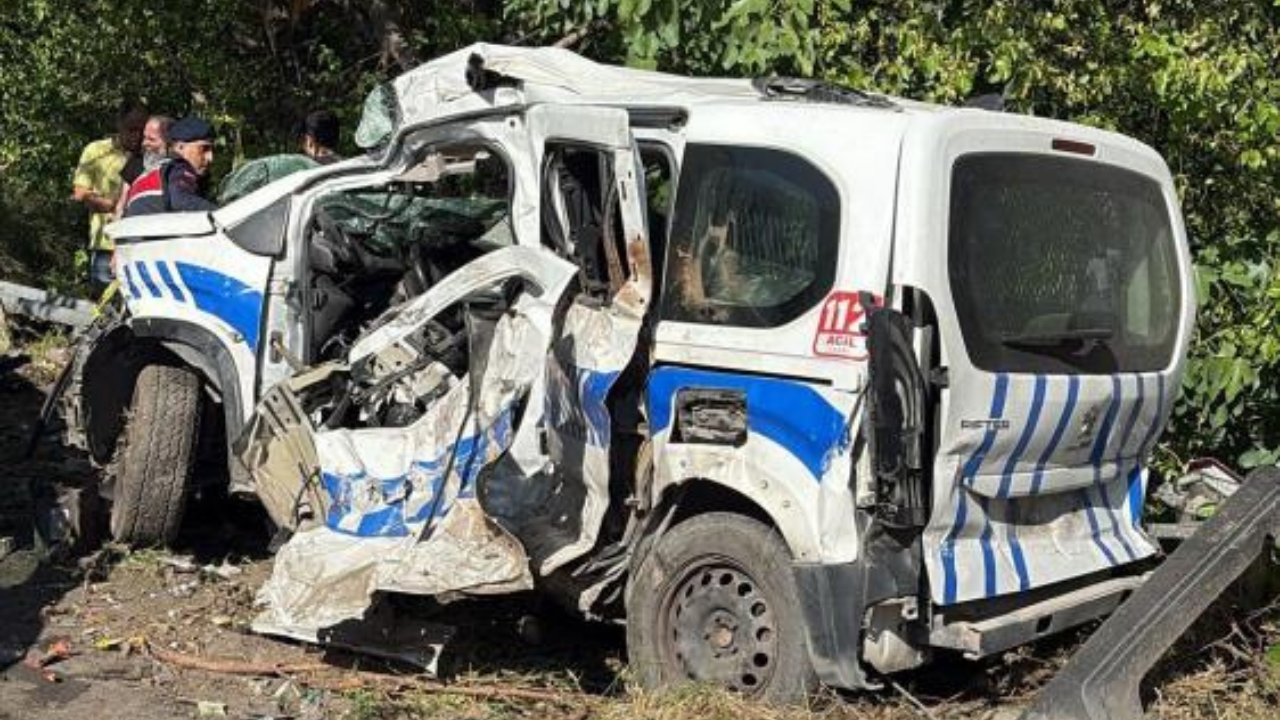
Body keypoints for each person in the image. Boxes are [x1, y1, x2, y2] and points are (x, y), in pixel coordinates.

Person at [72, 106, 146, 289]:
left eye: (141, 130)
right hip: (106, 243)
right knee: (107, 309)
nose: (136, 135)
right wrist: (115, 206)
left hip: (141, 246)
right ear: (119, 124)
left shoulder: (150, 154)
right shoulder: (97, 150)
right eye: (131, 129)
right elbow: (80, 192)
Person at [122, 116, 217, 217]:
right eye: (204, 149)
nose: (210, 158)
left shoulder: (143, 178)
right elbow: (181, 201)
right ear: (180, 147)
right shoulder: (179, 166)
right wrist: (222, 214)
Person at [115, 115, 174, 218]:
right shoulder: (136, 162)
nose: (144, 143)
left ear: (169, 141)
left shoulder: (178, 167)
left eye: (151, 139)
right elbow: (121, 203)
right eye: (144, 138)